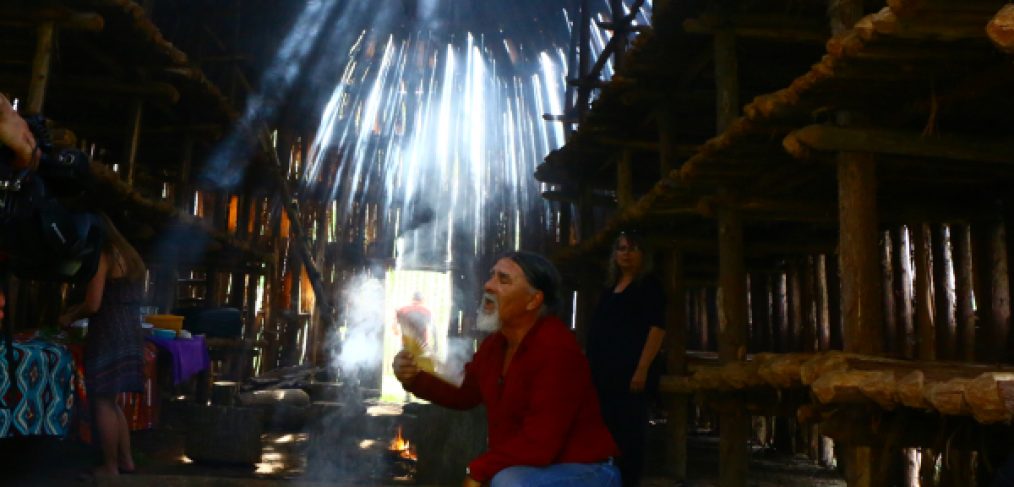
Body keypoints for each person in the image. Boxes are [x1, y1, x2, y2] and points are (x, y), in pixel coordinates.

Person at [393, 251, 620, 487]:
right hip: (535, 467)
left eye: (503, 280)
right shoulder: (495, 345)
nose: (488, 285)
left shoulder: (556, 349)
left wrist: (478, 471)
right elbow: (466, 392)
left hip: (587, 470)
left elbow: (540, 443)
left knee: (508, 482)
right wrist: (414, 377)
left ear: (533, 300)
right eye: (492, 276)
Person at [59, 212, 146, 477]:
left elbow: (93, 303)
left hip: (109, 332)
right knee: (112, 401)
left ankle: (110, 467)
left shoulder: (104, 256)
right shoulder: (130, 256)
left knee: (102, 401)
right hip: (130, 330)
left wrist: (69, 316)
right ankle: (126, 461)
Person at [586, 231, 666, 487]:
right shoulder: (611, 288)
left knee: (630, 436)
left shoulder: (649, 286)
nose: (626, 254)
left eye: (632, 249)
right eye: (621, 249)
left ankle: (628, 482)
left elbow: (656, 330)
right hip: (604, 374)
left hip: (630, 375)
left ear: (643, 254)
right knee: (606, 433)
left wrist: (642, 369)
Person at [396, 291, 435, 356]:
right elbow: (431, 329)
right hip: (421, 347)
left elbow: (395, 329)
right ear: (422, 301)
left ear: (412, 300)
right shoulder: (427, 312)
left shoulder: (402, 310)